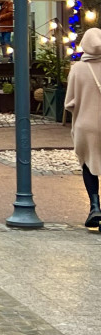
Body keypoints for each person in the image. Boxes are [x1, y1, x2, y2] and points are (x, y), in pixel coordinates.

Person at [64, 27, 101, 228]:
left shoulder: (77, 69)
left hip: (85, 126)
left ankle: (95, 206)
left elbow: (69, 102)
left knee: (88, 164)